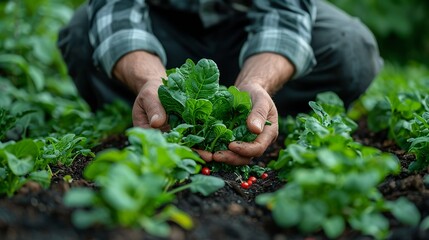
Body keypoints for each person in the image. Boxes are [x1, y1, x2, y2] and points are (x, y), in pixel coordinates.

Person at [58, 0, 382, 165]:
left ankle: (257, 105)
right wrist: (151, 80)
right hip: (162, 31)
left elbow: (285, 13)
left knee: (349, 48)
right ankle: (152, 108)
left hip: (248, 29)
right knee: (82, 33)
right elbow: (115, 10)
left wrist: (257, 81)